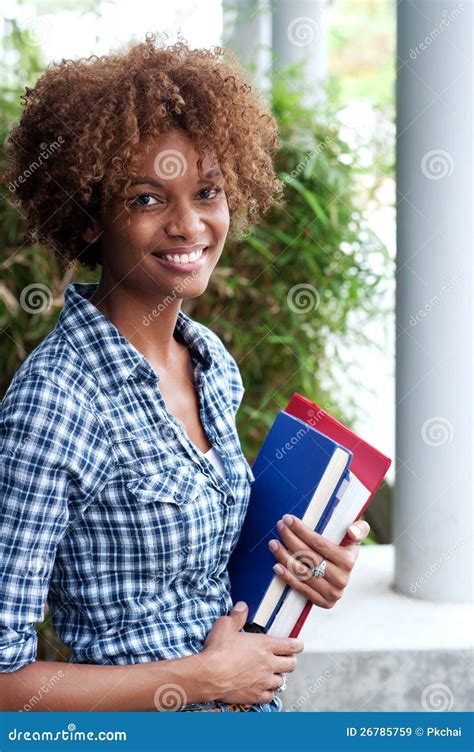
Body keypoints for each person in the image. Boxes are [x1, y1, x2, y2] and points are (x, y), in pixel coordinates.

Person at [0, 33, 370, 712]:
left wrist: (304, 566)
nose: (189, 224)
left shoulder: (209, 364)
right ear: (88, 216)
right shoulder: (57, 400)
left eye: (208, 191)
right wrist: (201, 680)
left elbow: (200, 580)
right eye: (146, 199)